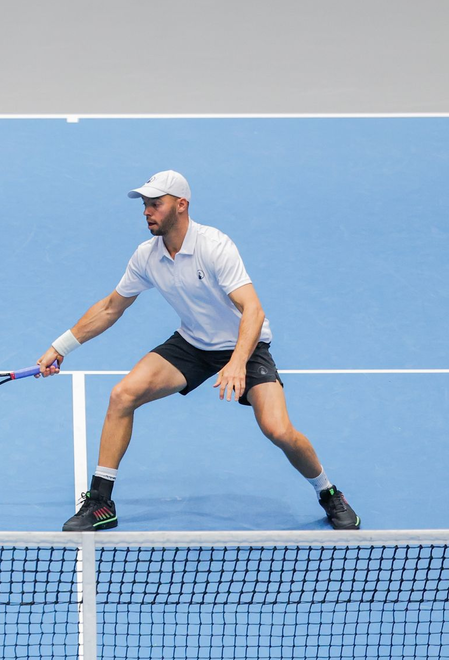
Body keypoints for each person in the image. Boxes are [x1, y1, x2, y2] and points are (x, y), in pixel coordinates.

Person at [37, 170, 359, 531]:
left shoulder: (214, 246)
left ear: (181, 205)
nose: (147, 212)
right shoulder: (147, 256)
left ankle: (329, 493)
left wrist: (238, 363)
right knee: (122, 395)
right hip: (193, 343)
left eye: (155, 204)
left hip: (245, 345)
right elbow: (112, 307)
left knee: (278, 430)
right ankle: (101, 503)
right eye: (144, 205)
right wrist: (60, 346)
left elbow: (253, 310)